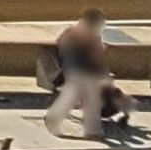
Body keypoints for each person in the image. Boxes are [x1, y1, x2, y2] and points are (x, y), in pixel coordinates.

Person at [46, 9, 110, 141]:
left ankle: (54, 116)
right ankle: (93, 130)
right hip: (88, 70)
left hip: (71, 67)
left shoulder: (71, 30)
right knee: (92, 100)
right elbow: (96, 56)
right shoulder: (94, 36)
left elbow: (59, 42)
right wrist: (104, 51)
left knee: (71, 94)